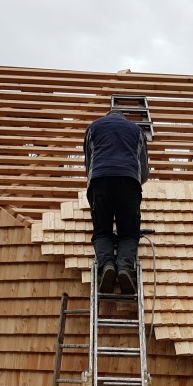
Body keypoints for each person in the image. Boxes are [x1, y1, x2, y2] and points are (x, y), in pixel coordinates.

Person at [83, 109, 150, 294]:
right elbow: (144, 170)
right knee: (128, 233)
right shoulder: (137, 130)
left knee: (102, 231)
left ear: (106, 116)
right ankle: (124, 269)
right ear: (124, 117)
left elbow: (89, 164)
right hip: (128, 181)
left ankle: (107, 267)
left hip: (100, 180)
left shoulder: (93, 127)